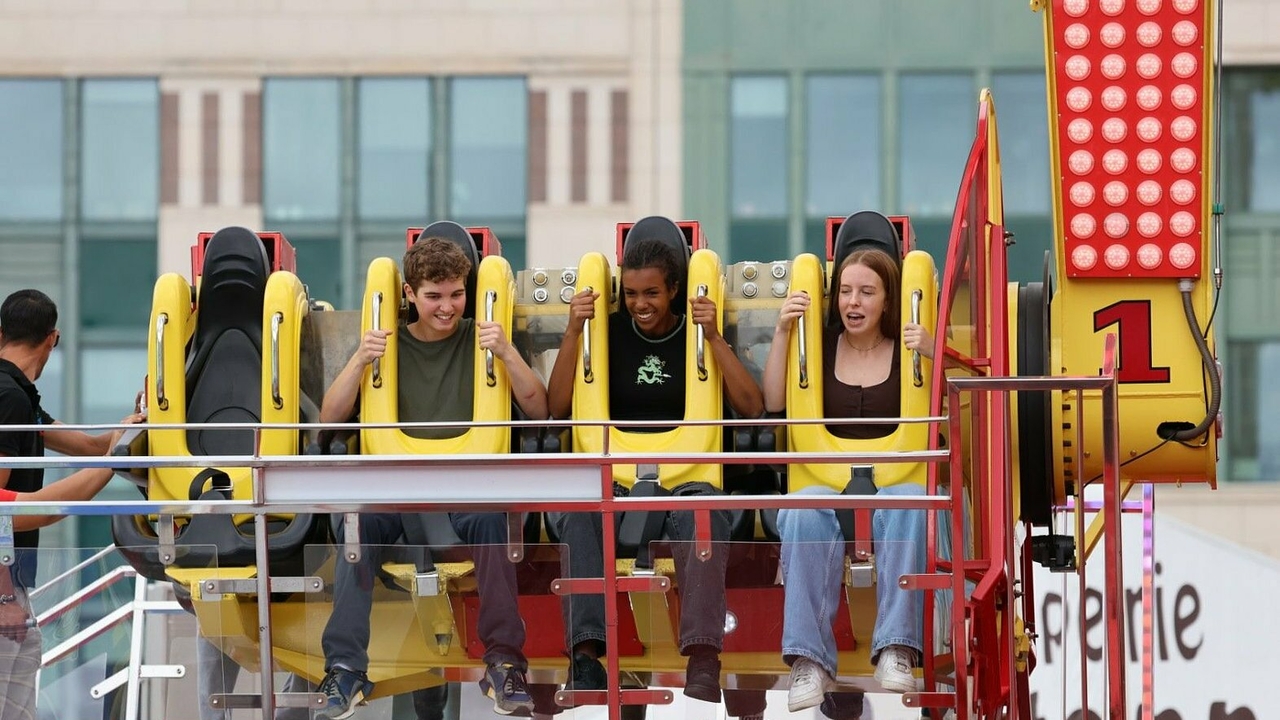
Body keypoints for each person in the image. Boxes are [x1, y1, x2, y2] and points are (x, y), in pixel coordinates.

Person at [315, 237, 548, 719]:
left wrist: (505, 351)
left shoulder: (483, 340)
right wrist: (360, 359)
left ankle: (504, 662)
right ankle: (344, 668)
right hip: (398, 495)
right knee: (356, 524)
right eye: (434, 296)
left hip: (467, 491)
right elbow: (328, 419)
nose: (446, 307)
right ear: (409, 294)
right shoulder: (387, 344)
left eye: (456, 295)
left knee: (495, 520)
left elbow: (538, 408)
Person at [546, 230, 765, 703]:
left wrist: (713, 335)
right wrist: (571, 331)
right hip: (616, 482)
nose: (640, 305)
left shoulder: (695, 330)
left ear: (673, 291)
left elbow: (751, 407)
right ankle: (585, 657)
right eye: (630, 294)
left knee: (703, 515)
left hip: (685, 481)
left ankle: (704, 658)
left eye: (651, 293)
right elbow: (555, 407)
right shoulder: (605, 334)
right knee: (578, 512)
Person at [762, 248, 941, 712]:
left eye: (866, 292)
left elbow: (965, 396)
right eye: (845, 292)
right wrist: (783, 331)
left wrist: (937, 350)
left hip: (896, 478)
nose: (853, 303)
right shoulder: (816, 347)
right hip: (824, 479)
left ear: (887, 300)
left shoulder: (907, 347)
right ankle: (809, 660)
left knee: (913, 502)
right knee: (800, 513)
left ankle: (897, 646)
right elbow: (774, 400)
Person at [0, 288, 141, 720]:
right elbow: (10, 509)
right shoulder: (8, 398)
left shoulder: (20, 398)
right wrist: (4, 599)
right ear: (53, 339)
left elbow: (87, 445)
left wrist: (127, 430)